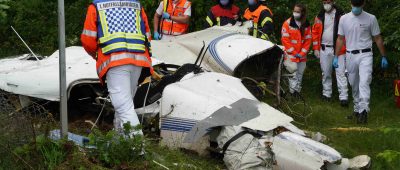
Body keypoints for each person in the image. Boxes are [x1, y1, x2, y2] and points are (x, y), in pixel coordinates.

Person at [81, 0, 153, 135]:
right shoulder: (136, 5)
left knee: (123, 107)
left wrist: (97, 55)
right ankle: (120, 141)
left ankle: (137, 150)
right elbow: (147, 36)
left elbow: (88, 40)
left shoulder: (96, 6)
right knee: (126, 105)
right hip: (138, 60)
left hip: (115, 61)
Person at [335, 0, 388, 124]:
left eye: (358, 5)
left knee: (364, 82)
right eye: (354, 5)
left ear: (363, 4)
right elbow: (340, 38)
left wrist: (383, 55)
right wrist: (336, 56)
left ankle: (363, 111)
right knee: (353, 83)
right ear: (350, 3)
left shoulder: (371, 18)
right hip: (350, 55)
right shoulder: (344, 19)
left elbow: (378, 38)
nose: (356, 8)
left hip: (365, 54)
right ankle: (357, 109)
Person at [312, 0, 348, 106]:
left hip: (339, 49)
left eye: (328, 2)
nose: (326, 4)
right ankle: (326, 94)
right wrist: (315, 48)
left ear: (333, 2)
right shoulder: (319, 16)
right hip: (324, 49)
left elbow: (346, 32)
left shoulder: (341, 15)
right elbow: (314, 32)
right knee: (326, 73)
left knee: (341, 73)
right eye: (324, 2)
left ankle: (344, 97)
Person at [281, 3, 312, 98]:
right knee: (292, 75)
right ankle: (292, 93)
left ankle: (297, 92)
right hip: (291, 55)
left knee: (300, 74)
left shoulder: (306, 24)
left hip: (302, 56)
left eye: (297, 12)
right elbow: (285, 40)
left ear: (302, 13)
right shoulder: (287, 23)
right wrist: (294, 52)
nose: (295, 13)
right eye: (294, 11)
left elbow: (308, 40)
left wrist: (302, 53)